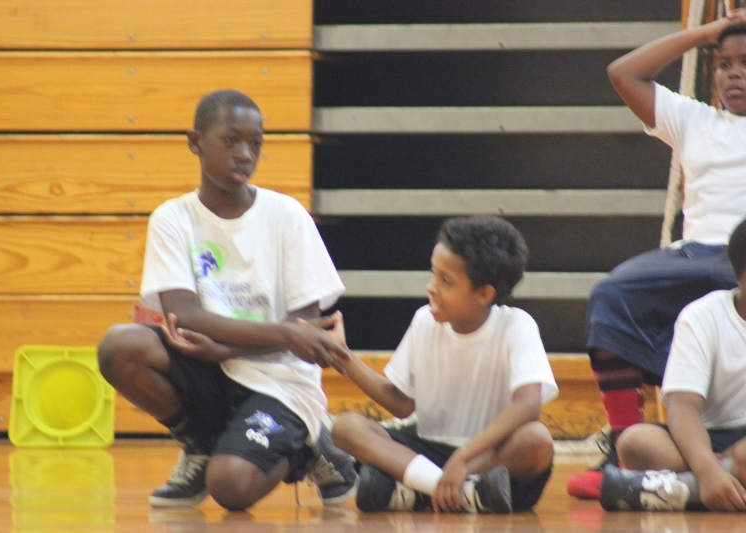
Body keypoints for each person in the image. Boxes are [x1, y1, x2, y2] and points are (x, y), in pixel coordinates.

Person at [96, 89, 356, 510]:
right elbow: (185, 314)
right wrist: (278, 335)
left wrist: (230, 347)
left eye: (255, 144)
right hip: (210, 369)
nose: (245, 154)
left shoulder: (287, 216)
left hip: (278, 380)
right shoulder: (172, 218)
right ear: (195, 141)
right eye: (231, 140)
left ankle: (308, 446)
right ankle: (200, 445)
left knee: (230, 487)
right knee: (119, 347)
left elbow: (304, 336)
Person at [568, 10, 746, 500]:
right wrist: (706, 33)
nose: (735, 73)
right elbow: (623, 73)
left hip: (744, 260)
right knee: (610, 295)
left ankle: (695, 471)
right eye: (725, 64)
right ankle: (624, 450)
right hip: (695, 256)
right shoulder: (695, 119)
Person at [329, 216, 558, 513]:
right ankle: (462, 493)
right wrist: (342, 356)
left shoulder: (517, 326)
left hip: (487, 457)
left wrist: (463, 459)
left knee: (537, 440)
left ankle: (417, 491)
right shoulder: (424, 321)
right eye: (433, 274)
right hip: (427, 452)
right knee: (346, 428)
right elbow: (401, 403)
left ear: (483, 294)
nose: (431, 287)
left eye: (445, 280)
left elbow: (528, 405)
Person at [600, 216, 746, 512]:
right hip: (703, 440)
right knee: (635, 442)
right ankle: (718, 482)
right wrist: (707, 469)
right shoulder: (702, 316)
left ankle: (672, 490)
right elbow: (683, 406)